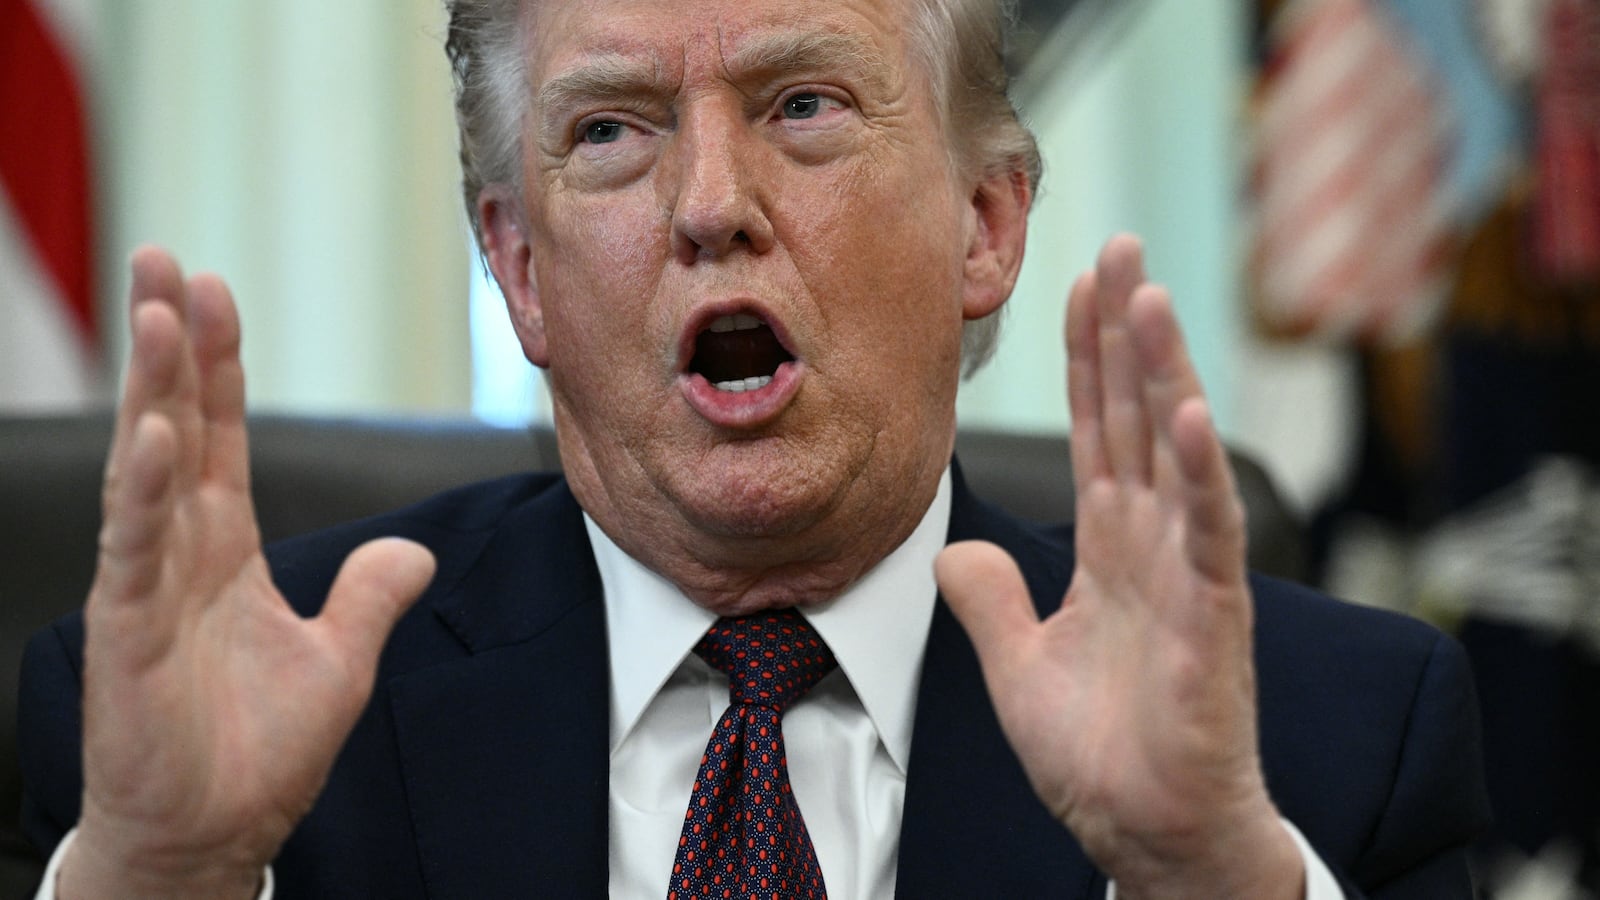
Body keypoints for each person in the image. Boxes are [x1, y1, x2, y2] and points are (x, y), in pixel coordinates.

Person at [17, 0, 1489, 896]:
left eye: (802, 105)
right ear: (519, 269)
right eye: (610, 130)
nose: (710, 200)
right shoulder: (196, 737)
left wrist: (1203, 884)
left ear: (985, 225)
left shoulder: (1326, 742)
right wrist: (165, 884)